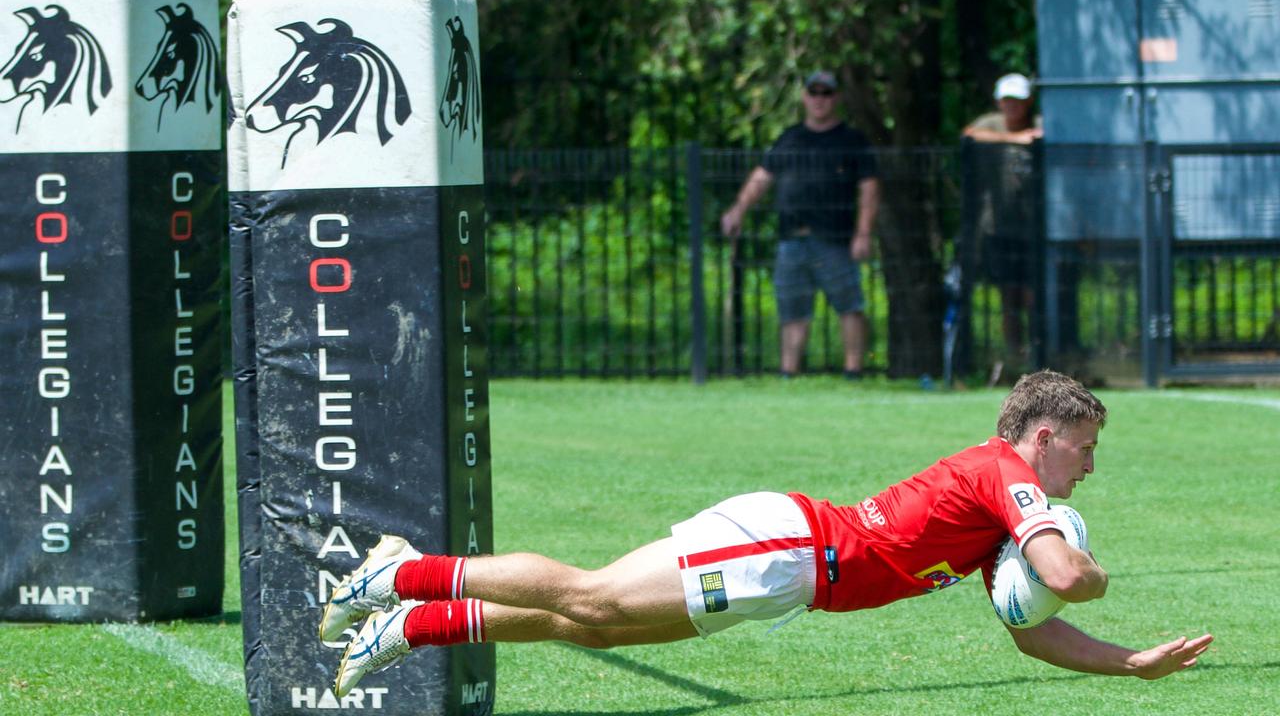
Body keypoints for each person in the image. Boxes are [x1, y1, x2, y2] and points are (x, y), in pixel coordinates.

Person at [322, 370, 1213, 697]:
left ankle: (414, 624)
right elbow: (1062, 570)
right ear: (1045, 437)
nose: (1088, 470)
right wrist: (1081, 563)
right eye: (1085, 450)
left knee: (589, 625)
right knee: (590, 593)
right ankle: (406, 573)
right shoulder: (1008, 478)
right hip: (784, 545)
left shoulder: (999, 517)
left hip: (791, 576)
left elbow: (1033, 632)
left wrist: (1129, 661)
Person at [719, 70, 881, 379]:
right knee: (792, 309)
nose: (819, 99)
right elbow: (761, 177)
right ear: (805, 97)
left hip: (835, 239)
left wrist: (863, 232)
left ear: (837, 98)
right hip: (791, 238)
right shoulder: (789, 138)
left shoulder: (852, 140)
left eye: (826, 93)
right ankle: (788, 374)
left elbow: (869, 188)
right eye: (814, 92)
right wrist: (738, 209)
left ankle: (853, 372)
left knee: (849, 305)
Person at [963, 73, 1044, 380]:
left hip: (1034, 230)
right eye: (1007, 100)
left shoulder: (1039, 122)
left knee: (1033, 296)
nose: (1013, 106)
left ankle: (1038, 355)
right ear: (999, 101)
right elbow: (969, 135)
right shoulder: (991, 124)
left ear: (1028, 101)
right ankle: (1014, 357)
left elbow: (1046, 134)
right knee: (1009, 297)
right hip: (999, 229)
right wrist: (1016, 140)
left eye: (1018, 100)